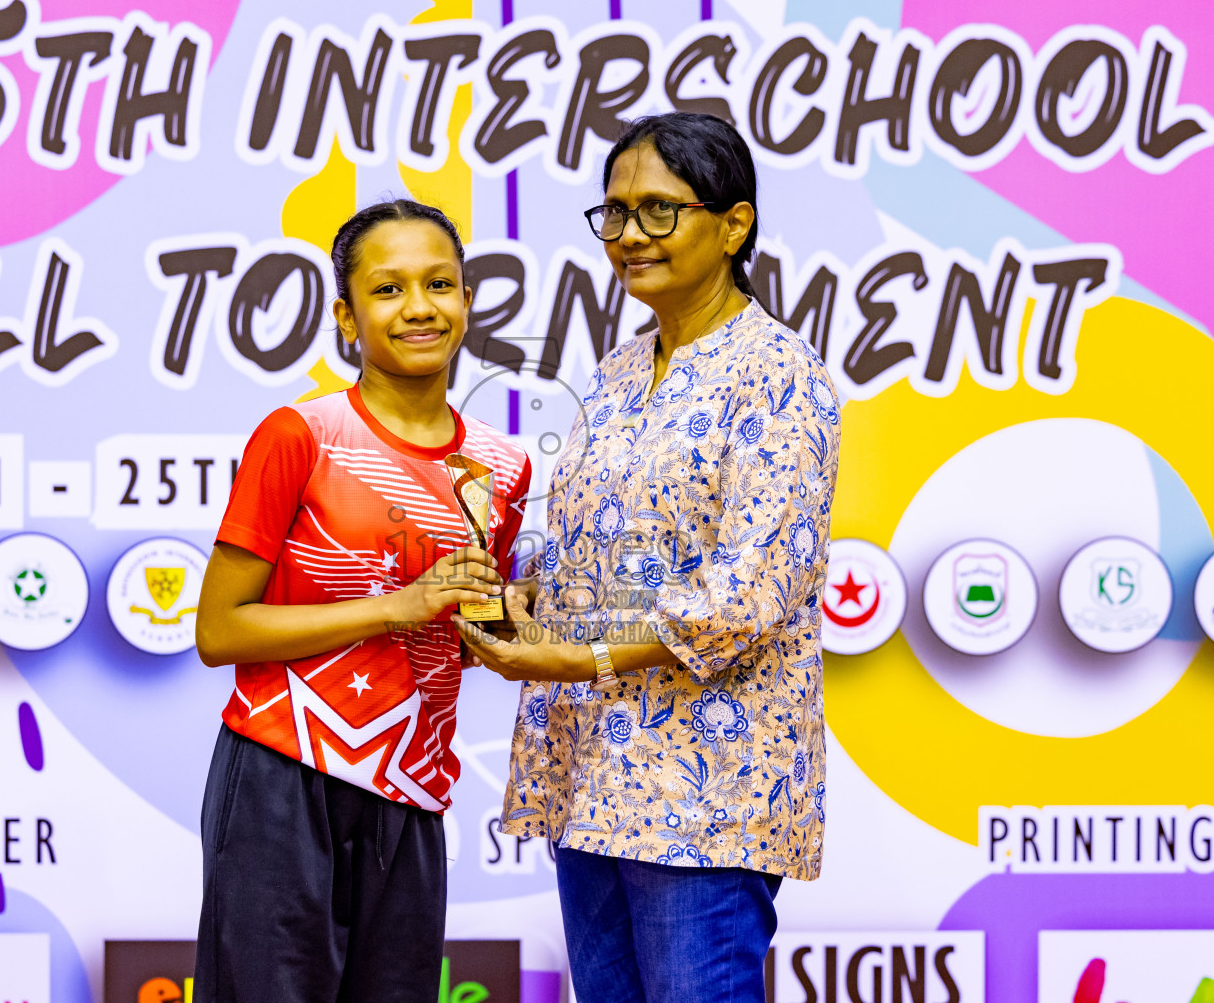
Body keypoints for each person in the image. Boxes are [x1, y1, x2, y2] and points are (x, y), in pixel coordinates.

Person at [456, 112, 840, 1003]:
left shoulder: (780, 375)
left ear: (733, 224)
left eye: (660, 212)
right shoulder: (620, 370)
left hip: (704, 792)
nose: (630, 236)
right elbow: (591, 554)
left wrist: (574, 654)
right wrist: (509, 600)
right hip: (591, 771)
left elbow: (746, 591)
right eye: (616, 213)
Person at [192, 199, 532, 1003]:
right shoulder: (300, 435)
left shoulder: (502, 465)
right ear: (347, 316)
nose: (419, 308)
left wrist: (513, 620)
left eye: (439, 284)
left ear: (468, 300)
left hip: (413, 788)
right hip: (285, 772)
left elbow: (468, 642)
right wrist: (397, 607)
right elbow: (218, 630)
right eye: (388, 290)